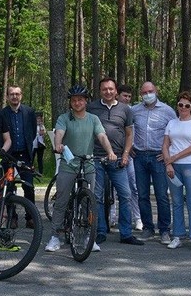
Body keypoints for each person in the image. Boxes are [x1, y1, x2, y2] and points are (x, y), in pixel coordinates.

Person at [45, 85, 118, 253]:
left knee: (88, 202)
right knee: (62, 200)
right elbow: (59, 133)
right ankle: (55, 236)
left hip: (89, 164)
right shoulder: (65, 118)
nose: (77, 103)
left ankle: (88, 237)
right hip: (69, 164)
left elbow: (102, 136)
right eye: (74, 100)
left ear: (86, 101)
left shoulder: (93, 119)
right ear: (70, 103)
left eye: (80, 99)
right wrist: (58, 145)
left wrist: (110, 152)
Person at [86, 77, 144, 246]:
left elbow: (129, 134)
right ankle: (101, 231)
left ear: (116, 91)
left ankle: (126, 233)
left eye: (111, 89)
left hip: (118, 159)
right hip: (96, 158)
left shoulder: (125, 109)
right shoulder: (91, 108)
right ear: (100, 91)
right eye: (104, 89)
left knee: (125, 195)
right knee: (97, 197)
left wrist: (126, 155)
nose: (108, 92)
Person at [131, 81, 177, 243]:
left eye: (150, 91)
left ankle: (164, 230)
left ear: (156, 91)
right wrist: (129, 148)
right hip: (139, 157)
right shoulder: (134, 110)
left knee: (161, 195)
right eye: (144, 92)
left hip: (159, 156)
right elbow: (128, 130)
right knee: (142, 195)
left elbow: (175, 132)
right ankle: (148, 228)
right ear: (140, 94)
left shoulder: (167, 111)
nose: (147, 94)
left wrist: (167, 153)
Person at [162, 91, 191, 253]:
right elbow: (165, 144)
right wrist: (168, 164)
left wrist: (172, 158)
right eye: (181, 104)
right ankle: (178, 236)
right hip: (173, 166)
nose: (183, 108)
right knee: (176, 202)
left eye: (187, 105)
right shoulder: (171, 123)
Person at [0, 85, 38, 228]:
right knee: (9, 188)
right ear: (7, 97)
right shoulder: (2, 114)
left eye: (17, 94)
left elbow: (32, 132)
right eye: (11, 94)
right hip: (9, 156)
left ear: (21, 95)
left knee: (29, 186)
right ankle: (12, 217)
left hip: (25, 155)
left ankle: (30, 217)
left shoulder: (29, 112)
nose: (14, 96)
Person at [118, 84, 143, 230]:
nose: (127, 99)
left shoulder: (133, 111)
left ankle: (137, 218)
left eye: (129, 96)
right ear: (118, 96)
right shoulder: (112, 110)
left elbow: (135, 132)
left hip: (130, 155)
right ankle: (113, 217)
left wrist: (133, 146)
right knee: (114, 189)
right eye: (124, 96)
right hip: (114, 153)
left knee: (133, 187)